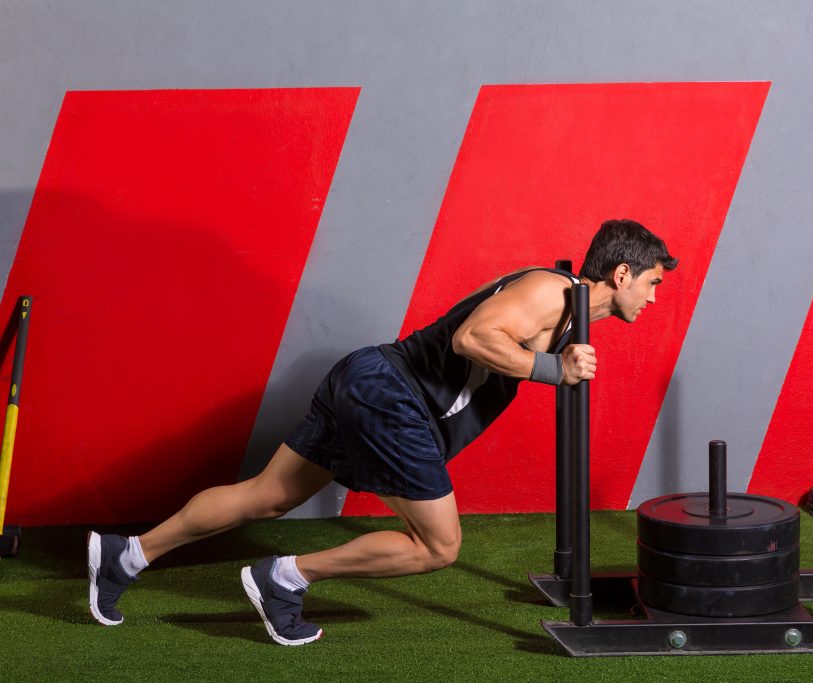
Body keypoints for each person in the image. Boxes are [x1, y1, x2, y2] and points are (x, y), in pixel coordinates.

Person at [87, 218, 677, 645]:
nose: (653, 297)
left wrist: (562, 358)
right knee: (439, 547)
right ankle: (284, 577)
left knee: (265, 496)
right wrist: (554, 369)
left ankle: (128, 555)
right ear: (621, 273)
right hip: (393, 396)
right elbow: (471, 339)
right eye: (650, 282)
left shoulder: (568, 309)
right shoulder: (550, 289)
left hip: (367, 379)